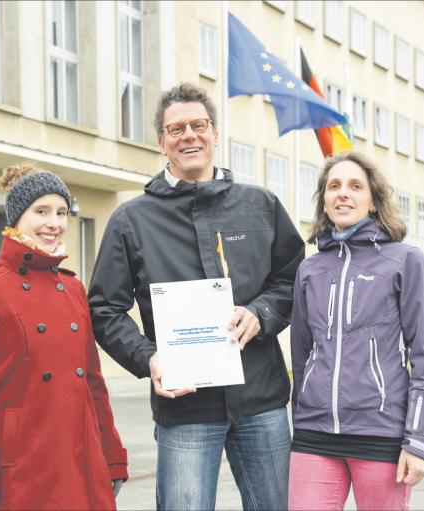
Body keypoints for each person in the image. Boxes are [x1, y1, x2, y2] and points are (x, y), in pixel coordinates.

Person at [89, 82, 305, 511]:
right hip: (185, 407)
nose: (189, 135)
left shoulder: (261, 206)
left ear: (215, 134)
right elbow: (104, 308)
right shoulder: (132, 220)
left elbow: (294, 279)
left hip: (260, 400)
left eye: (199, 125)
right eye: (176, 129)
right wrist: (148, 357)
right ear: (162, 143)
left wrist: (261, 313)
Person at [0, 163, 128, 511]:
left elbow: (93, 384)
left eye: (61, 212)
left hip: (82, 459)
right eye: (41, 211)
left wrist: (112, 455)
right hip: (20, 464)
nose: (54, 223)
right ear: (16, 217)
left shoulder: (73, 288)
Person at [288, 151, 424, 511]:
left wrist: (418, 441)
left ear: (373, 201)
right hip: (315, 434)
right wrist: (299, 419)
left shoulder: (405, 261)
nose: (343, 193)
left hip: (381, 433)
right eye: (334, 186)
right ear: (324, 201)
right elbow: (301, 354)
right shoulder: (310, 270)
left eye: (355, 186)